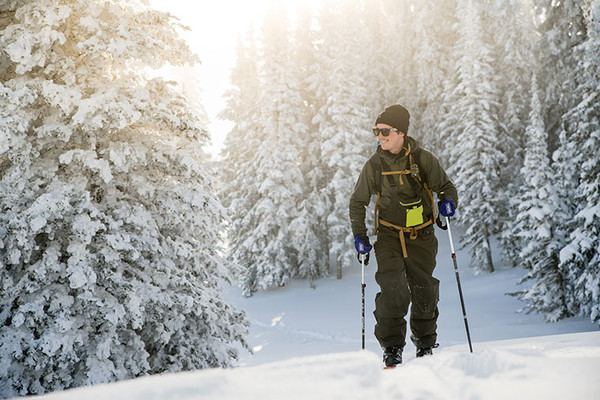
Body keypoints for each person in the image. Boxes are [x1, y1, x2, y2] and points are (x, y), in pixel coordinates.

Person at [349, 104, 458, 367]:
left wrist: (448, 203)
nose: (380, 136)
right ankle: (392, 349)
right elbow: (357, 202)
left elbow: (445, 187)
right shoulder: (374, 165)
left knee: (424, 291)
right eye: (377, 131)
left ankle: (424, 346)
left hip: (421, 236)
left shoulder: (423, 159)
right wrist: (360, 235)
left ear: (401, 133)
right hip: (388, 236)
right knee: (393, 290)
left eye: (385, 131)